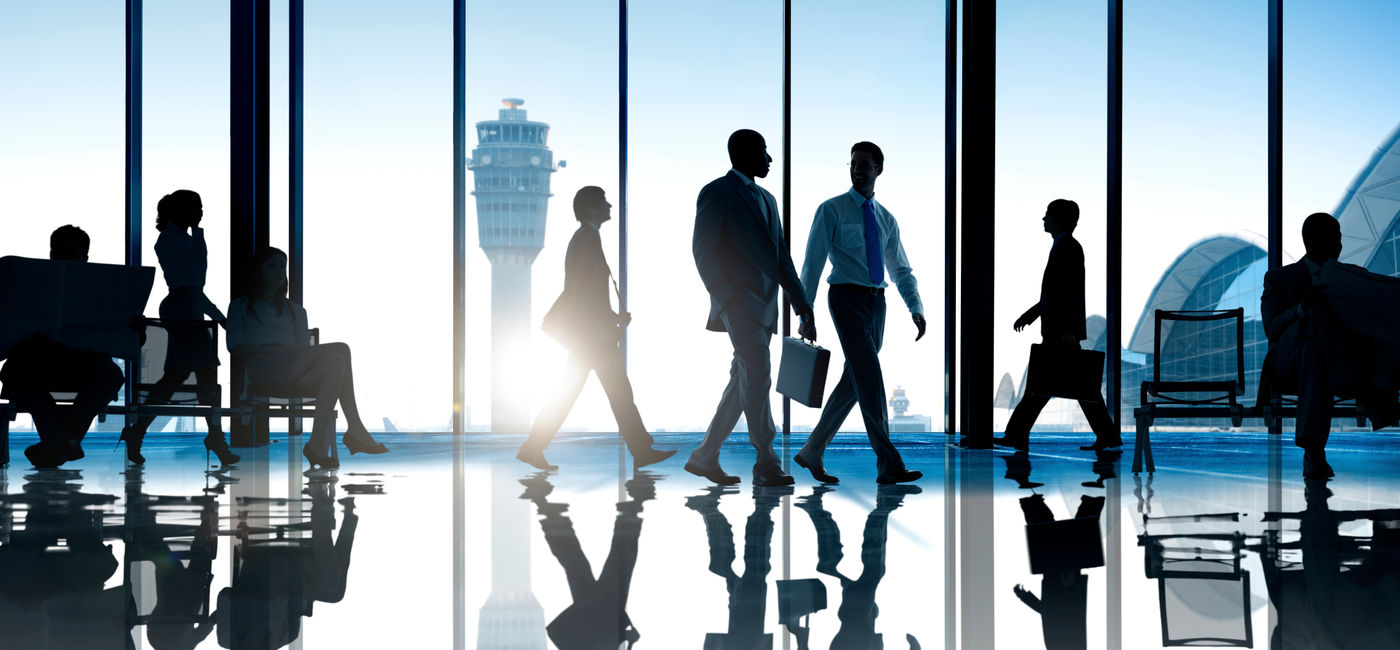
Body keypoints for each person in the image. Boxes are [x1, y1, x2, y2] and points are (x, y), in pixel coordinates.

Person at [687, 129, 817, 487]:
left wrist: (802, 304)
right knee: (758, 374)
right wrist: (726, 298)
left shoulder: (768, 199)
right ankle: (766, 462)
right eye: (763, 152)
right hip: (738, 303)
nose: (769, 159)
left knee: (743, 381)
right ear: (744, 154)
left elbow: (781, 257)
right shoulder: (717, 193)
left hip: (766, 306)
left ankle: (704, 456)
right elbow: (703, 249)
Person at [516, 187, 675, 471]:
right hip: (592, 337)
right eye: (603, 201)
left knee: (580, 391)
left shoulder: (586, 237)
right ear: (591, 207)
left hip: (589, 334)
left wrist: (611, 317)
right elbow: (583, 291)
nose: (609, 205)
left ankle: (534, 446)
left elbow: (584, 291)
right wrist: (609, 323)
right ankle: (641, 449)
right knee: (615, 392)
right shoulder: (587, 238)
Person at [794, 141, 924, 485]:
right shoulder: (831, 209)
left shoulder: (886, 219)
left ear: (878, 169)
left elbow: (901, 270)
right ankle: (889, 462)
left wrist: (915, 306)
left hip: (877, 302)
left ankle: (812, 450)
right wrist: (805, 312)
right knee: (868, 373)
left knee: (854, 380)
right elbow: (812, 264)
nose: (857, 169)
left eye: (865, 165)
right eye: (853, 163)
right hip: (845, 298)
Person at [1260, 212, 1400, 478]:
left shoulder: (1354, 277)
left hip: (1318, 358)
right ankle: (1373, 394)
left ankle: (1314, 453)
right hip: (1288, 359)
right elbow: (1273, 328)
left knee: (1315, 354)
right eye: (1333, 237)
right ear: (1310, 240)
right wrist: (1302, 308)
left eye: (1340, 238)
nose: (1339, 245)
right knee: (1316, 316)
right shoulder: (1279, 278)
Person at [226, 247, 387, 470]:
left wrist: (285, 352)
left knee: (337, 361)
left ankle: (316, 444)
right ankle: (355, 429)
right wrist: (271, 350)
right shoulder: (241, 306)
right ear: (258, 271)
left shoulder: (295, 311)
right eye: (271, 266)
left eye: (282, 266)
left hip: (293, 372)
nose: (279, 271)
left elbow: (301, 351)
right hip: (263, 372)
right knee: (341, 348)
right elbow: (234, 345)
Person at [120, 190, 239, 466]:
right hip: (185, 309)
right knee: (192, 378)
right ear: (181, 211)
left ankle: (139, 431)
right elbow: (193, 284)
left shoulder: (179, 238)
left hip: (188, 308)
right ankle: (214, 438)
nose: (201, 212)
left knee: (186, 378)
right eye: (196, 207)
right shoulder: (173, 241)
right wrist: (220, 317)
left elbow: (196, 284)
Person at [994, 199, 1121, 452]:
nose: (1043, 219)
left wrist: (1068, 331)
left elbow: (1068, 294)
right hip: (1061, 331)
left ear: (1060, 219)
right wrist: (1032, 315)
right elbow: (1055, 293)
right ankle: (1108, 437)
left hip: (1062, 332)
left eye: (1047, 215)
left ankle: (1016, 436)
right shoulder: (1065, 246)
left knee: (1044, 388)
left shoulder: (1069, 248)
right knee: (1072, 388)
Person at [0, 226, 127, 467]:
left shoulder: (100, 291)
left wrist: (132, 328)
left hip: (80, 363)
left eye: (70, 252)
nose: (63, 257)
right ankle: (66, 442)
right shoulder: (34, 285)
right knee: (15, 370)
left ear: (85, 257)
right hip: (42, 361)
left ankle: (58, 441)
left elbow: (126, 340)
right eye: (58, 251)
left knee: (110, 375)